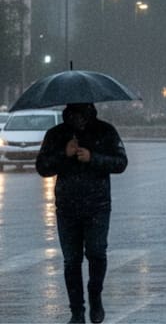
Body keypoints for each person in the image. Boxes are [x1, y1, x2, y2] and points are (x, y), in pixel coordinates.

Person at [36, 103, 128, 324]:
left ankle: (95, 297)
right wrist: (64, 153)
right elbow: (42, 166)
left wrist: (92, 157)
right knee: (71, 261)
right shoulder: (56, 134)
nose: (78, 117)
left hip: (97, 205)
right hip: (67, 207)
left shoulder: (105, 131)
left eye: (82, 113)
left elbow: (120, 162)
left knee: (97, 253)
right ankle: (77, 312)